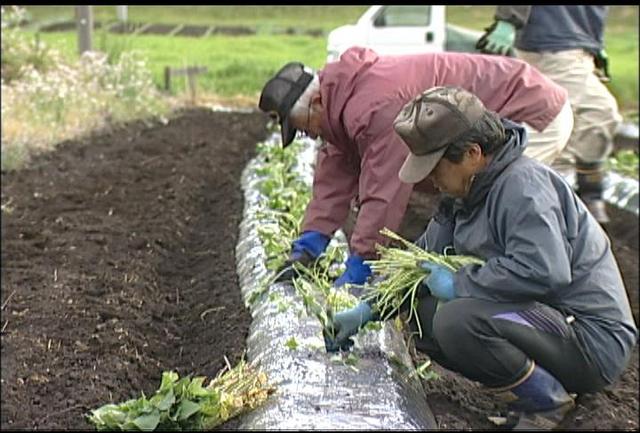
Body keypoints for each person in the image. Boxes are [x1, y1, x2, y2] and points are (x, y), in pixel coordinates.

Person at [324, 86, 638, 429]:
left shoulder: (523, 188)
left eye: (436, 167)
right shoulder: (465, 195)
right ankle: (530, 392)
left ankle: (547, 405)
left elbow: (546, 271)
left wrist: (459, 283)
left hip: (591, 340)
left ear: (473, 153)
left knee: (457, 318)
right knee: (422, 310)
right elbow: (421, 263)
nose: (430, 179)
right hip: (549, 327)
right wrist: (369, 308)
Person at [258, 46, 573, 287]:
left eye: (302, 126)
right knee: (471, 211)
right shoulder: (339, 104)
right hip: (497, 122)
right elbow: (334, 174)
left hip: (527, 112)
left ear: (316, 103)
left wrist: (362, 263)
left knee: (495, 208)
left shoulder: (375, 106)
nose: (307, 134)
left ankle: (525, 306)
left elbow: (385, 191)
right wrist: (309, 245)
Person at [476, 5, 623, 224]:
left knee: (563, 123)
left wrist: (592, 42)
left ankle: (553, 196)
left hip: (569, 44)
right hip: (552, 46)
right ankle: (496, 198)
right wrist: (509, 18)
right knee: (596, 115)